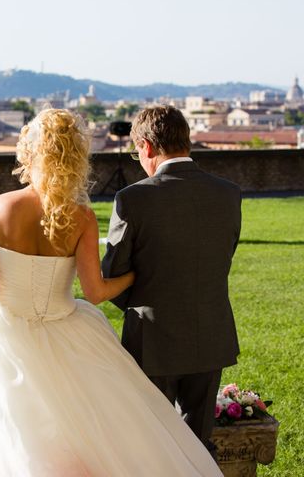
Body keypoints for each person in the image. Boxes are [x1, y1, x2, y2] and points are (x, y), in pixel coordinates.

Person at [0, 108, 222, 476]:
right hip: (69, 329)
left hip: (7, 333)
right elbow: (96, 291)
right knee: (89, 429)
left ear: (29, 152)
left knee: (19, 428)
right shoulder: (79, 216)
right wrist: (137, 276)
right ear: (74, 156)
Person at [101, 105, 242, 456]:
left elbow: (112, 273)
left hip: (153, 337)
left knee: (152, 443)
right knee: (198, 444)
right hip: (211, 331)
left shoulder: (132, 198)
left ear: (146, 146)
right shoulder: (228, 193)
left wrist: (145, 292)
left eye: (137, 153)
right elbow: (222, 257)